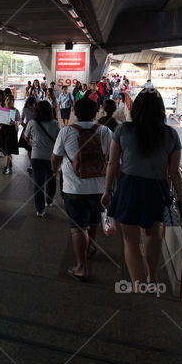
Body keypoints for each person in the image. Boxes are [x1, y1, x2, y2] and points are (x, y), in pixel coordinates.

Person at [101, 89, 182, 293]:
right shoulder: (170, 134)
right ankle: (152, 278)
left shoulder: (123, 131)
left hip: (129, 186)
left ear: (136, 108)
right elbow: (174, 172)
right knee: (152, 234)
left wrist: (107, 190)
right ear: (161, 110)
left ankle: (137, 287)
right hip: (156, 188)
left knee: (130, 241)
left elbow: (112, 163)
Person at [53, 98, 113, 280]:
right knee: (94, 222)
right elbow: (112, 159)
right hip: (99, 188)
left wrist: (55, 172)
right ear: (95, 113)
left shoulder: (66, 132)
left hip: (74, 189)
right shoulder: (105, 131)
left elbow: (55, 159)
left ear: (75, 113)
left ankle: (82, 268)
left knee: (78, 228)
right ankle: (88, 250)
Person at [24, 101, 60, 217]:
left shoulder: (32, 123)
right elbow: (59, 140)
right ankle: (49, 201)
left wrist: (32, 143)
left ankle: (40, 210)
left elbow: (26, 136)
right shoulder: (55, 123)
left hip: (36, 157)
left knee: (38, 183)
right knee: (51, 178)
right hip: (51, 156)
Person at [0, 94, 21, 175]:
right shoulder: (2, 110)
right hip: (3, 131)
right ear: (5, 101)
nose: (8, 101)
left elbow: (19, 121)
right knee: (4, 148)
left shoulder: (15, 111)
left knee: (8, 149)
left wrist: (15, 122)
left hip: (11, 131)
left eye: (10, 100)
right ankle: (8, 162)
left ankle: (6, 167)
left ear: (13, 101)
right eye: (7, 99)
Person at [20, 96, 37, 173]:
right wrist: (24, 125)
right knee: (29, 148)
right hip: (27, 127)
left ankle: (35, 163)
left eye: (32, 105)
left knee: (35, 147)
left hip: (36, 128)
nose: (31, 107)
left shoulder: (37, 109)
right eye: (29, 105)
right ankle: (32, 164)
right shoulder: (25, 109)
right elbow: (21, 119)